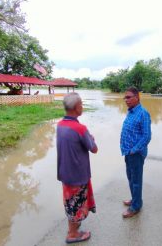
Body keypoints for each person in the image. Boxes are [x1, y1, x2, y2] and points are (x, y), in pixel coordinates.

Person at [57, 92, 98, 244]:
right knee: (76, 204)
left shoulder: (60, 125)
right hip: (77, 175)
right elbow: (94, 149)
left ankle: (72, 228)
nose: (82, 106)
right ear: (75, 107)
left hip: (65, 173)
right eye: (81, 104)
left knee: (69, 202)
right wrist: (91, 139)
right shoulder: (80, 129)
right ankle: (73, 235)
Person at [120, 86, 151, 218]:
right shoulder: (131, 111)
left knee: (136, 180)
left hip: (136, 154)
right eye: (125, 97)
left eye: (128, 97)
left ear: (137, 97)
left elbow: (147, 136)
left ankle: (136, 207)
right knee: (131, 178)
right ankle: (135, 199)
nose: (125, 100)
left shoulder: (143, 113)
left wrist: (134, 150)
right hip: (127, 152)